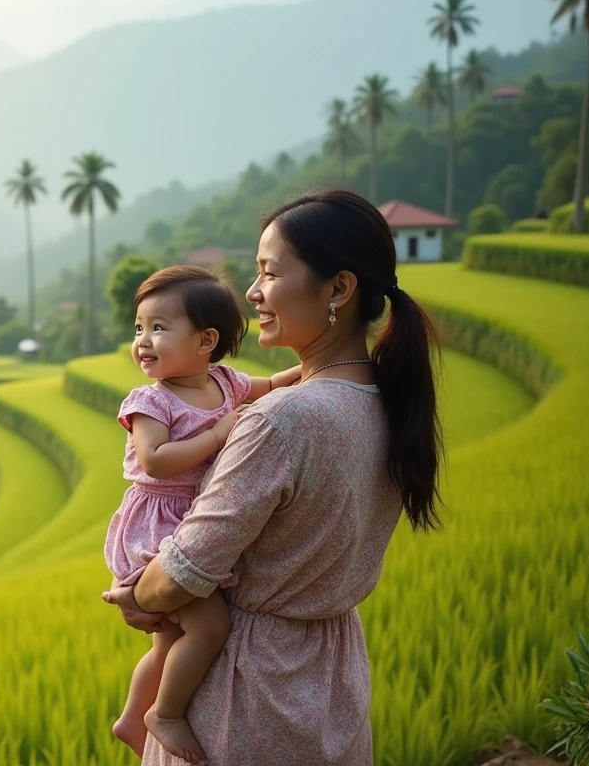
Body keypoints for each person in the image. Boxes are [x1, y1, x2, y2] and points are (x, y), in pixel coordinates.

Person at [102, 188, 443, 765]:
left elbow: (182, 574)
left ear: (338, 288)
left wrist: (138, 593)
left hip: (245, 696)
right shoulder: (385, 401)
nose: (253, 293)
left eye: (268, 273)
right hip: (331, 680)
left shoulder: (280, 421)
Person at [105, 265, 302, 761]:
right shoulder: (151, 400)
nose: (143, 341)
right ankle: (163, 714)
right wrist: (218, 435)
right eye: (138, 328)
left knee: (169, 639)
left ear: (206, 340)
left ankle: (131, 718)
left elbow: (274, 382)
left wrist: (315, 370)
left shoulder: (225, 382)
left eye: (158, 328)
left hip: (190, 520)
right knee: (210, 626)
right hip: (157, 523)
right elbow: (154, 459)